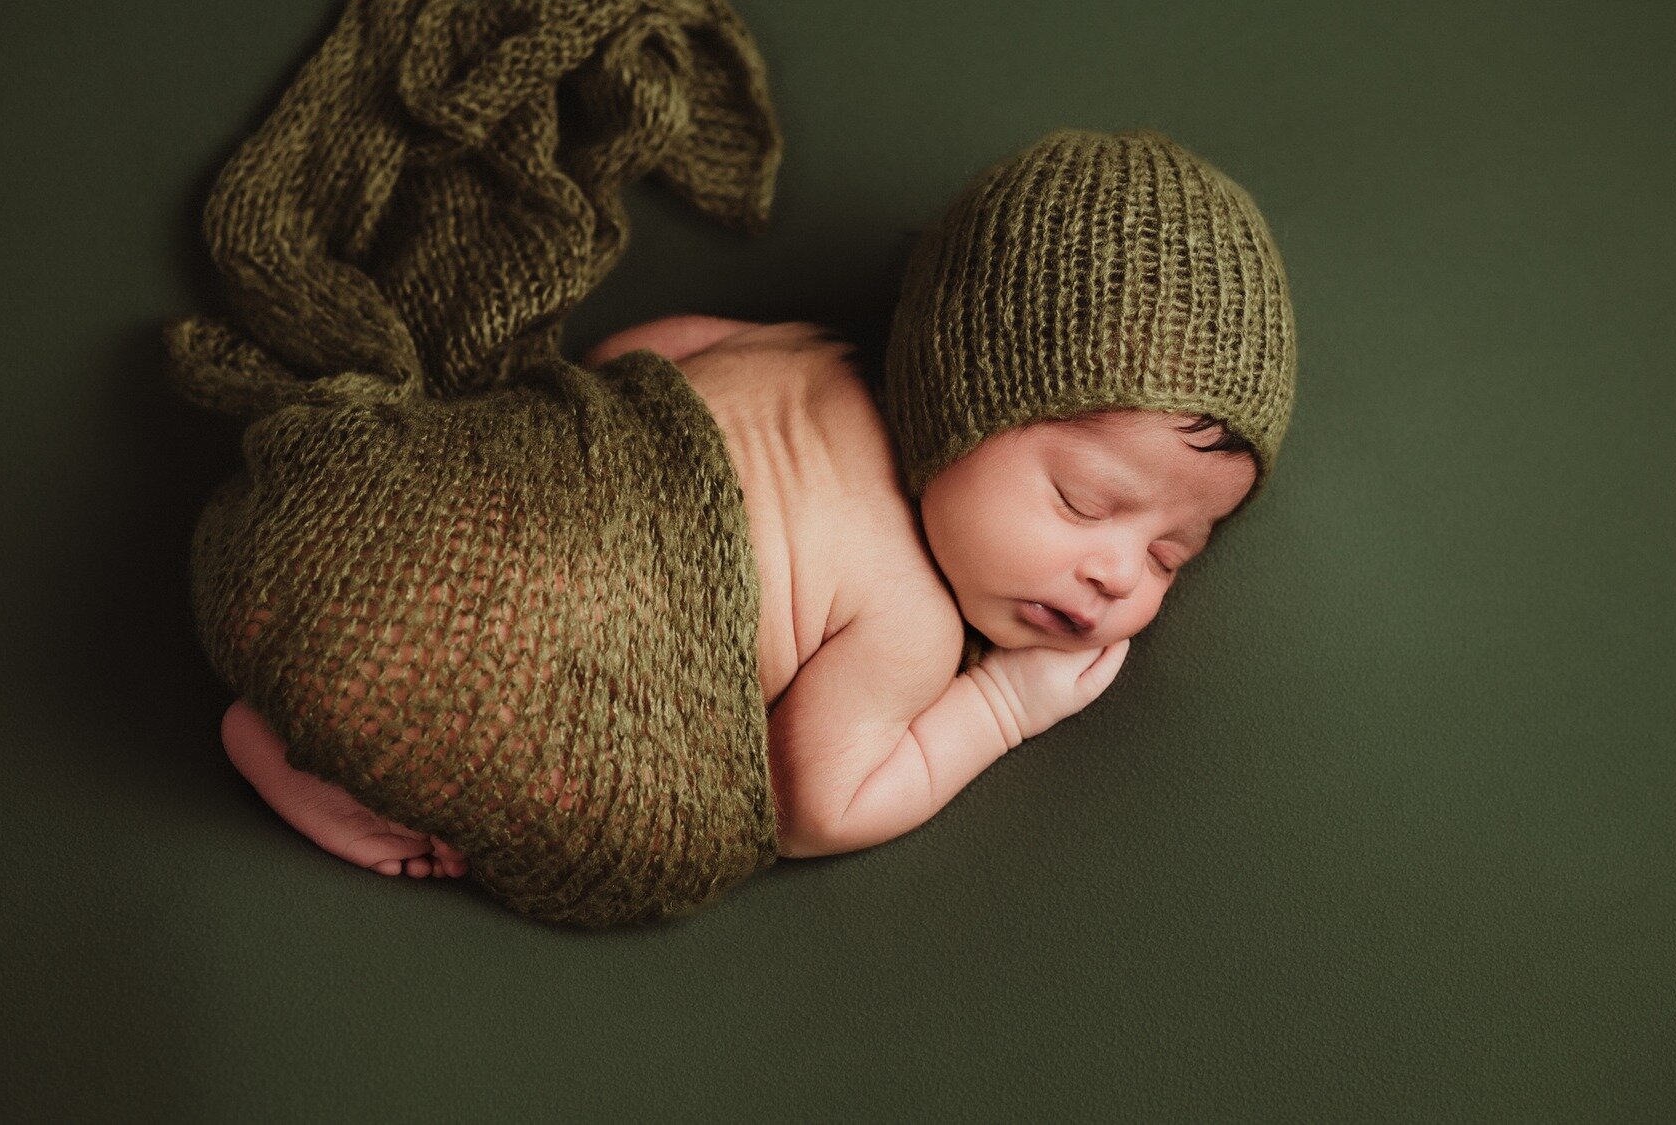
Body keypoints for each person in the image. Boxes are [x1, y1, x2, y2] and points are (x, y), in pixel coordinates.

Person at [216, 126, 1297, 878]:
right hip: (461, 664)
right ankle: (329, 762)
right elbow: (811, 812)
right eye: (1082, 499)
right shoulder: (907, 622)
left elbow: (635, 353)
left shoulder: (796, 350)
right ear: (960, 392)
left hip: (346, 543)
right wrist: (1000, 709)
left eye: (1172, 553)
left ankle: (291, 687)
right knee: (596, 798)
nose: (1119, 570)